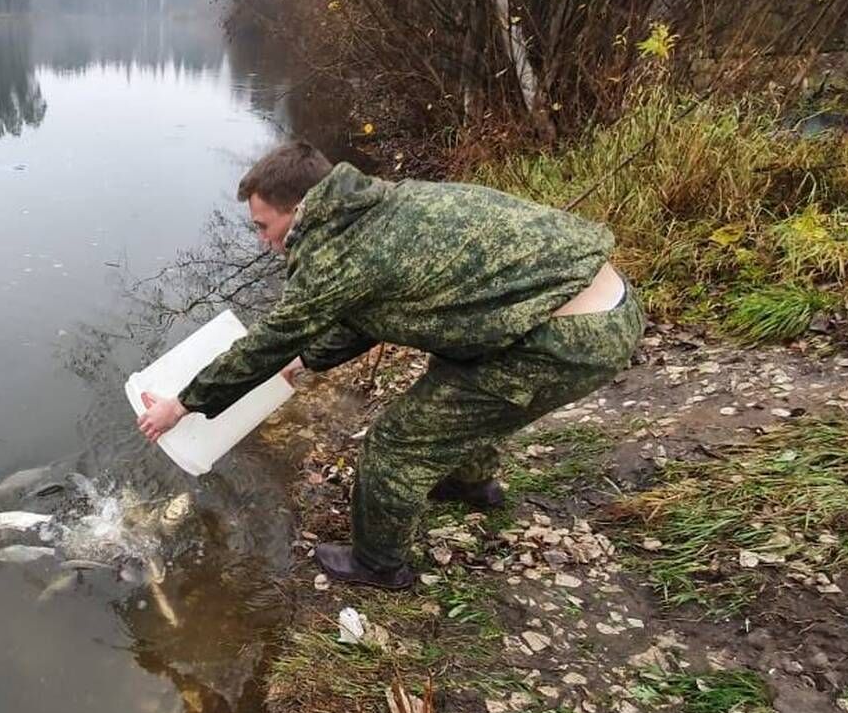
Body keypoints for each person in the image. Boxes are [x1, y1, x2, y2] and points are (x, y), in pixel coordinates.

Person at [135, 142, 644, 590]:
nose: (264, 241)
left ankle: (378, 565)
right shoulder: (377, 204)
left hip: (566, 339)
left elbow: (266, 343)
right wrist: (308, 358)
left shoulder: (341, 252)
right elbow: (370, 314)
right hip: (592, 304)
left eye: (264, 227)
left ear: (302, 206)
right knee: (455, 394)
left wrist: (182, 405)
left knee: (396, 445)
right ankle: (471, 484)